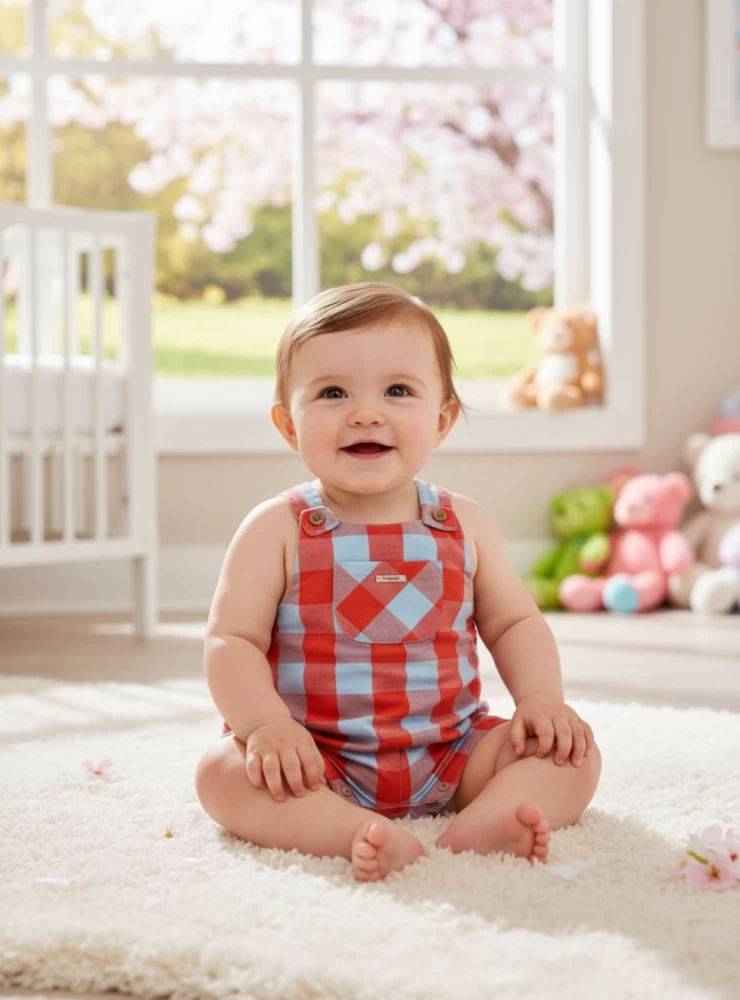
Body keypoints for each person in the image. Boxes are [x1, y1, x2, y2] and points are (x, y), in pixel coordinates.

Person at [195, 282, 602, 882]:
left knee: (574, 757)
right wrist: (267, 728)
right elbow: (231, 640)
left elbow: (515, 622)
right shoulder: (278, 528)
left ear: (442, 421)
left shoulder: (463, 523)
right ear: (289, 424)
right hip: (316, 757)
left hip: (454, 750)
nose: (366, 412)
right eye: (332, 392)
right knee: (220, 777)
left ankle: (487, 818)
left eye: (398, 391)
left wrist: (541, 701)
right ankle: (346, 830)